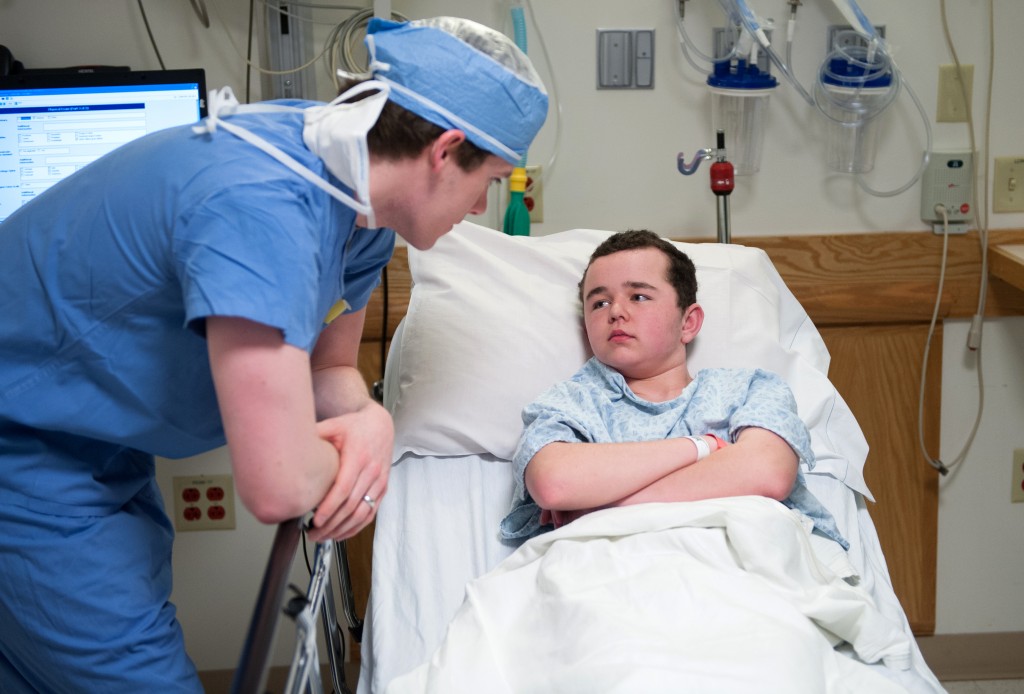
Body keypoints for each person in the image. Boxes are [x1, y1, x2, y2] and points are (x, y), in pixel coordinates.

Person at [0, 16, 547, 693]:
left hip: (97, 444)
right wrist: (356, 460)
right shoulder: (261, 205)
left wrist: (371, 422)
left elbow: (331, 369)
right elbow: (281, 482)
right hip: (25, 456)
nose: (481, 205)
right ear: (445, 150)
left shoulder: (360, 205)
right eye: (489, 179)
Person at [499, 230, 847, 550]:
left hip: (739, 570)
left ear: (688, 322)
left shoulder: (748, 389)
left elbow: (768, 474)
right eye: (599, 303)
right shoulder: (568, 403)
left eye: (638, 296)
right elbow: (554, 484)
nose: (616, 312)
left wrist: (599, 505)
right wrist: (701, 447)